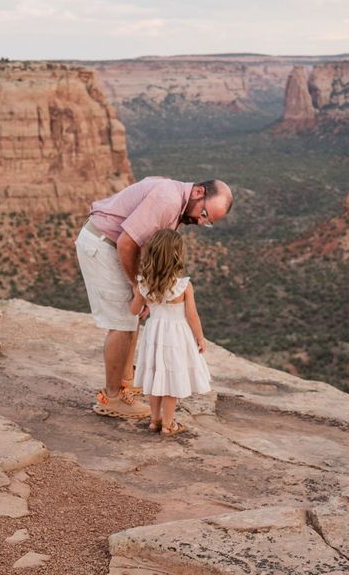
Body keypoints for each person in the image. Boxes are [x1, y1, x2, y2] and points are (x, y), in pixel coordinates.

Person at [75, 176, 232, 419]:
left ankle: (126, 383)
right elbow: (127, 243)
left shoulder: (178, 204)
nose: (201, 223)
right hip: (104, 245)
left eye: (208, 222)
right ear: (199, 192)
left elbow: (145, 246)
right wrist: (138, 285)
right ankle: (112, 398)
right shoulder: (168, 200)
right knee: (121, 323)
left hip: (113, 245)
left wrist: (146, 290)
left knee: (133, 316)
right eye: (204, 214)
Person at [129, 229, 211, 435]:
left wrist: (137, 294)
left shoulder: (144, 285)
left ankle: (154, 420)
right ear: (176, 256)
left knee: (157, 376)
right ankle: (168, 424)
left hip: (154, 335)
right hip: (176, 337)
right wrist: (199, 338)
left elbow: (133, 311)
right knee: (171, 380)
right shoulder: (183, 286)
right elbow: (192, 316)